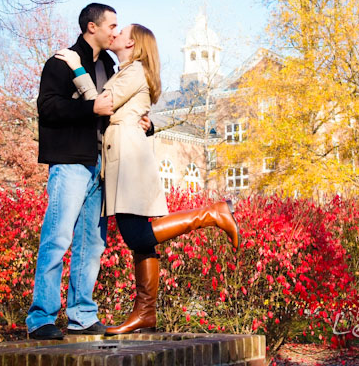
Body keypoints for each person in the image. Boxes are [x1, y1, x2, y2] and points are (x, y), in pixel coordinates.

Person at [54, 23, 239, 335]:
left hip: (127, 158)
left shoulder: (134, 71)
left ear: (133, 43)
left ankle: (211, 214)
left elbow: (103, 105)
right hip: (127, 153)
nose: (115, 33)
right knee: (141, 241)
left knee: (137, 235)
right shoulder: (130, 70)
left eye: (121, 31)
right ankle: (146, 313)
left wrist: (76, 69)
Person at [27, 3, 152, 340]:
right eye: (112, 25)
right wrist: (88, 108)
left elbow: (120, 107)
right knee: (57, 238)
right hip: (70, 162)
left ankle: (82, 314)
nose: (116, 31)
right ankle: (41, 318)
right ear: (91, 27)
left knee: (92, 244)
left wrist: (147, 123)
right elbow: (48, 107)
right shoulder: (61, 61)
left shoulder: (109, 66)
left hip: (101, 167)